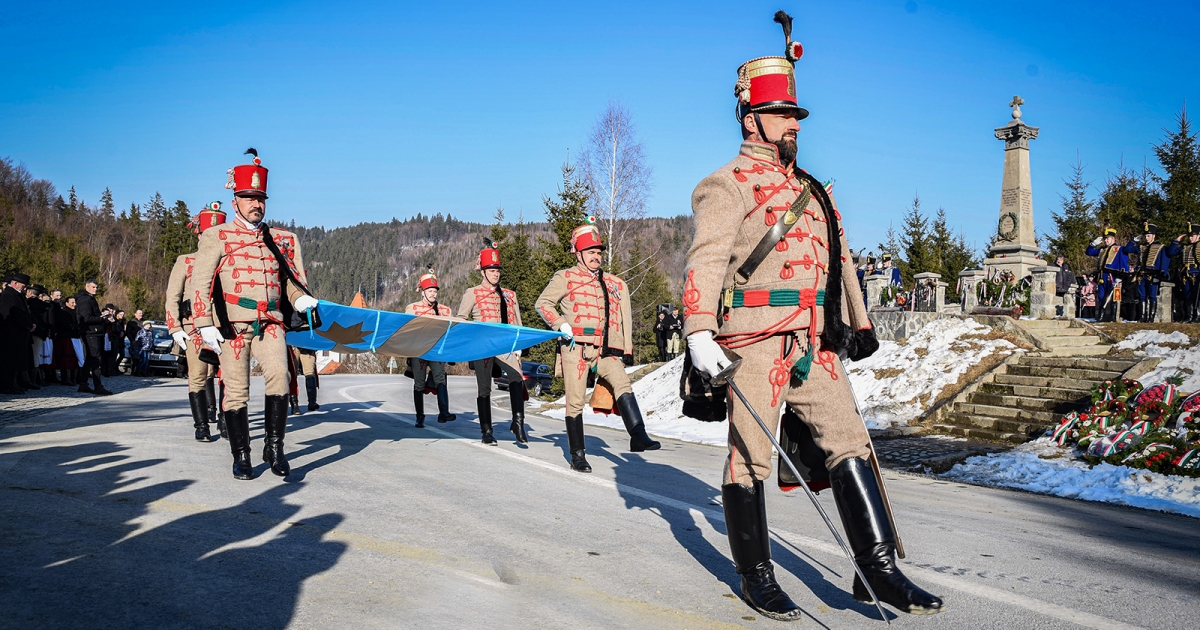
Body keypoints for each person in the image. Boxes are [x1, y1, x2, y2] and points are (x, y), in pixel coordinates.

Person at [681, 14, 941, 620]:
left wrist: (858, 323)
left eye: (796, 114)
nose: (794, 123)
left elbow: (838, 260)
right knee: (749, 456)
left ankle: (878, 571)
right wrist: (698, 330)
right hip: (751, 343)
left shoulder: (814, 188)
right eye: (782, 114)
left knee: (851, 441)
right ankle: (756, 576)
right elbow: (707, 258)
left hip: (813, 343)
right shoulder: (725, 185)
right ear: (751, 118)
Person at [192, 149, 317, 480]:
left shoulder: (278, 239)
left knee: (281, 375)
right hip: (232, 325)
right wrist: (204, 324)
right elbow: (200, 282)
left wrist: (299, 299)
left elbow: (287, 281)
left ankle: (274, 448)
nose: (256, 204)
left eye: (260, 198)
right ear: (235, 201)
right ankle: (241, 454)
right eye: (249, 197)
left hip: (271, 322)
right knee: (236, 389)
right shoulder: (216, 236)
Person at [535, 220, 661, 472]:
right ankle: (577, 455)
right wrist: (560, 324)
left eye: (598, 252)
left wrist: (625, 348)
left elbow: (622, 317)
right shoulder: (565, 277)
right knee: (575, 401)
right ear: (578, 254)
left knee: (622, 382)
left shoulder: (613, 282)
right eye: (591, 252)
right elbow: (543, 303)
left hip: (604, 349)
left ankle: (638, 434)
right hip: (576, 347)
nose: (596, 257)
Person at [165, 201, 227, 442]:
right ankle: (201, 425)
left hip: (225, 327)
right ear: (199, 235)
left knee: (229, 376)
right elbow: (173, 296)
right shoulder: (186, 261)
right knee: (198, 376)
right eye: (205, 234)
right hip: (195, 327)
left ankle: (225, 420)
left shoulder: (228, 261)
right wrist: (175, 327)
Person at [457, 243, 527, 445]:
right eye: (491, 270)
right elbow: (461, 319)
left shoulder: (509, 295)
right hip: (483, 346)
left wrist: (519, 346)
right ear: (483, 272)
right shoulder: (472, 293)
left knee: (516, 377)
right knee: (484, 388)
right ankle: (486, 431)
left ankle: (518, 422)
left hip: (505, 345)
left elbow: (517, 323)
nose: (496, 274)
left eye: (497, 270)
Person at [402, 269, 454, 428]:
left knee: (440, 378)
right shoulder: (412, 308)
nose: (433, 294)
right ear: (422, 292)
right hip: (418, 351)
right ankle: (420, 416)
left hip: (436, 351)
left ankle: (444, 412)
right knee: (419, 383)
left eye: (435, 291)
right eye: (430, 291)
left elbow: (450, 333)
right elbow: (407, 330)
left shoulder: (445, 310)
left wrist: (451, 353)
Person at [1128, 223, 1179, 322]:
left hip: (1153, 275)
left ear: (1153, 236)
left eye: (1148, 236)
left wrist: (1161, 274)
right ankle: (1143, 317)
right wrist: (1134, 240)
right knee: (1142, 296)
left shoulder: (1160, 247)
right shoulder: (1141, 247)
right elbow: (1127, 249)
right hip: (1142, 274)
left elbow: (1167, 256)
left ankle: (1151, 317)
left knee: (1152, 295)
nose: (1146, 238)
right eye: (1146, 236)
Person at [74, 279, 113, 395]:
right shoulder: (85, 300)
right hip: (91, 333)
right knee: (96, 359)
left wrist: (104, 319)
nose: (95, 289)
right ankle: (97, 385)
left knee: (90, 359)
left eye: (96, 287)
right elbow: (86, 318)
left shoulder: (89, 298)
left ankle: (83, 384)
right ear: (87, 287)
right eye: (93, 287)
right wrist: (102, 317)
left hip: (94, 332)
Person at [0, 273, 36, 395]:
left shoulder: (18, 295)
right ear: (15, 283)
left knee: (17, 361)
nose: (25, 288)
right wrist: (29, 325)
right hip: (11, 334)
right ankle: (7, 385)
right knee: (10, 360)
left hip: (20, 333)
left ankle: (13, 383)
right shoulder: (7, 295)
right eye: (23, 285)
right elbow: (14, 314)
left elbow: (26, 312)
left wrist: (32, 323)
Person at [1085, 228, 1129, 322]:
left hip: (1113, 276)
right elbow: (1089, 252)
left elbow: (1124, 263)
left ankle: (1113, 317)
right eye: (1105, 239)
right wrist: (1093, 244)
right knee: (1101, 297)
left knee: (1114, 297)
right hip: (1102, 276)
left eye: (1107, 238)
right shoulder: (1102, 249)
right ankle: (1101, 316)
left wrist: (1121, 276)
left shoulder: (1119, 249)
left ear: (1113, 239)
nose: (1106, 240)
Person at [1177, 222, 1200, 323]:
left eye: (1192, 236)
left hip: (1196, 273)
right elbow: (1171, 252)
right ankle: (1189, 316)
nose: (1190, 238)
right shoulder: (1185, 247)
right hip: (1185, 274)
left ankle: (1197, 316)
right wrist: (1177, 241)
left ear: (1198, 236)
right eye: (1189, 236)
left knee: (1197, 295)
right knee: (1188, 295)